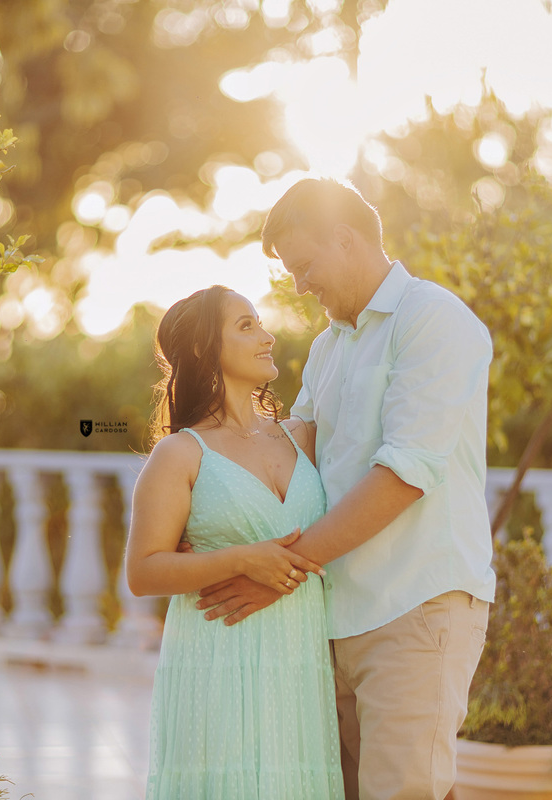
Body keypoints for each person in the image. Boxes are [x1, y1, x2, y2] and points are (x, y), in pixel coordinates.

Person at [193, 178, 496, 800]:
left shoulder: (433, 320)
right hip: (333, 618)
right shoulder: (328, 348)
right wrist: (194, 485)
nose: (300, 286)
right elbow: (292, 451)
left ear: (345, 239)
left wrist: (280, 572)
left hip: (416, 605)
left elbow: (404, 475)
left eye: (304, 266)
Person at [125, 284, 346, 799]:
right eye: (246, 326)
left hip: (301, 662)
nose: (267, 337)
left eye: (260, 323)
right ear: (203, 347)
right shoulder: (180, 453)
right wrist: (242, 559)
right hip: (217, 661)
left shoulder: (301, 436)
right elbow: (143, 572)